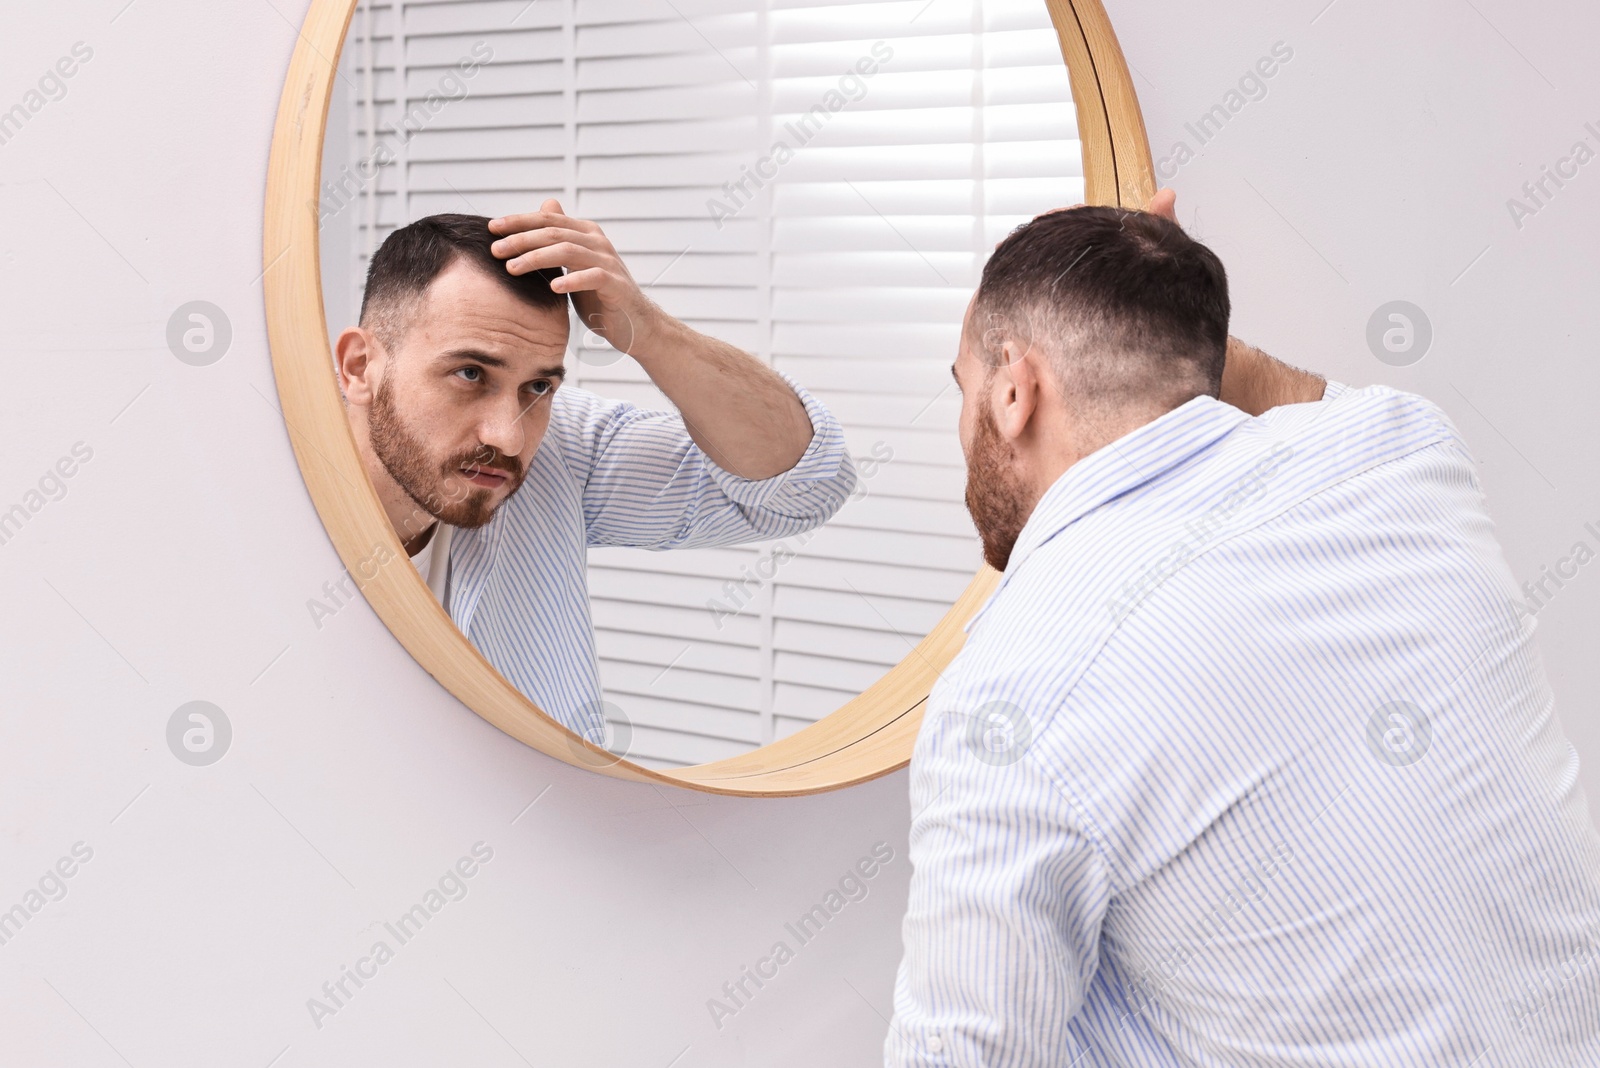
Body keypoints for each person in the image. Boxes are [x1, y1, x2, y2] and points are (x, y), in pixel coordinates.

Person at [884, 193, 1600, 1066]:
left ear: (1011, 390)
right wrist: (1150, 289)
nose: (965, 427)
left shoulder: (1011, 688)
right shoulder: (1401, 451)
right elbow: (1273, 390)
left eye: (964, 389)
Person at [332, 203, 859, 741]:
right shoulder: (259, 507)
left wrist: (647, 331)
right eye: (471, 374)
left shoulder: (563, 449)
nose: (509, 437)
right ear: (359, 367)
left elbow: (804, 488)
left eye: (537, 387)